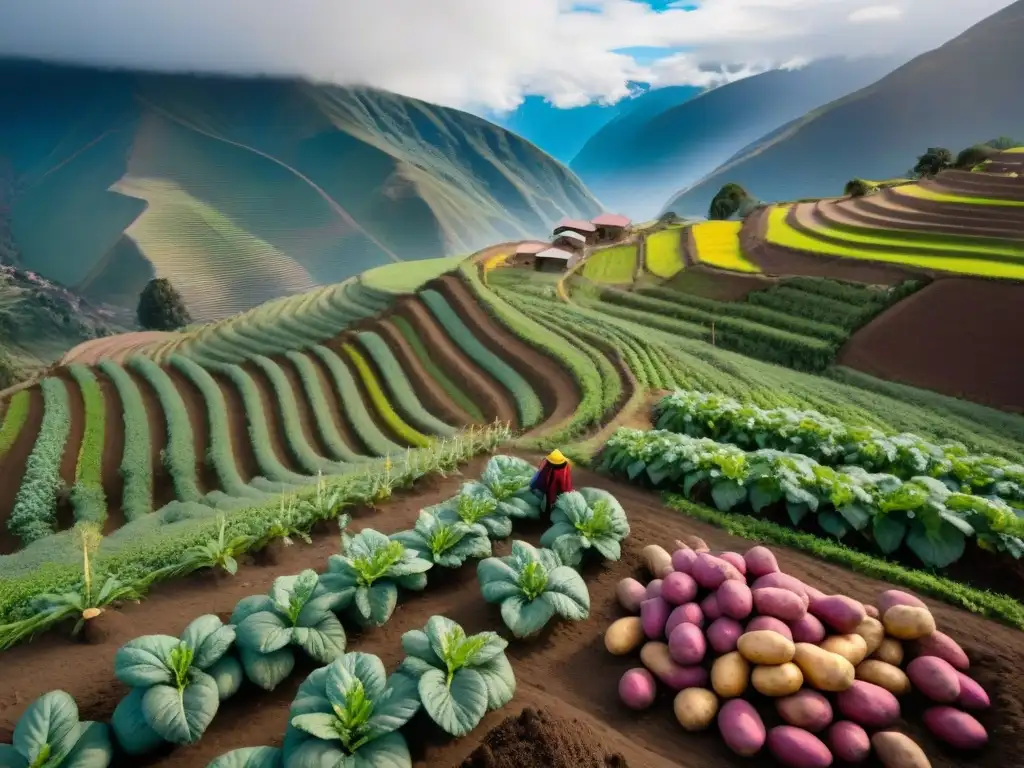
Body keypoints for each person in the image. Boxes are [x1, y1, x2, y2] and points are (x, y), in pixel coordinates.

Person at [530, 449, 574, 514]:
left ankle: (547, 512)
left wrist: (533, 485)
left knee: (550, 498)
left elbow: (541, 473)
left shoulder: (549, 465)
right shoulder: (566, 465)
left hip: (553, 486)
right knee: (555, 498)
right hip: (559, 486)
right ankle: (550, 511)